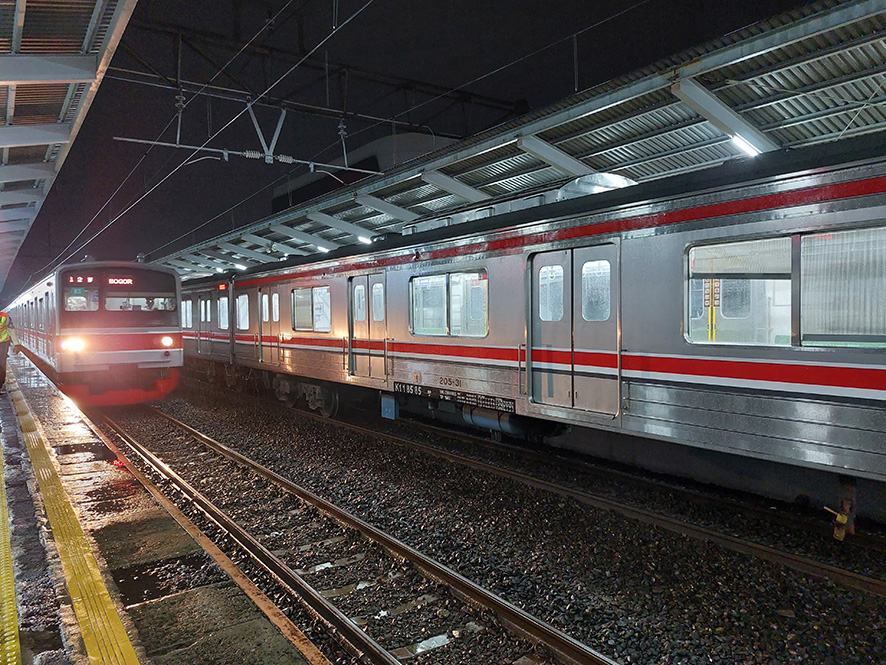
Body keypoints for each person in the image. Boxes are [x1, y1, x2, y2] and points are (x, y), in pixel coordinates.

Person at [0, 311, 22, 393]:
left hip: (2, 343)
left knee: (1, 365)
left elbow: (11, 330)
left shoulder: (5, 317)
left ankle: (0, 386)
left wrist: (16, 344)